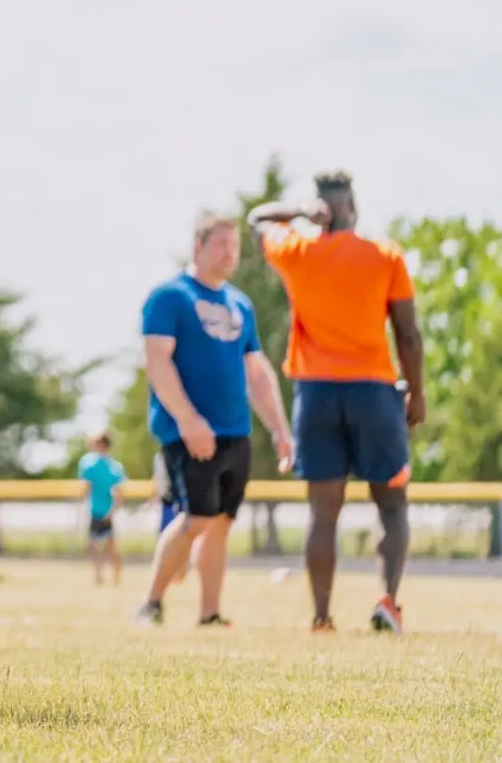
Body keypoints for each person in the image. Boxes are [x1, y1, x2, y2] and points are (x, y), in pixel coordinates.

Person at [250, 172, 424, 634]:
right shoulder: (385, 255)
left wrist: (299, 213)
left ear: (320, 210)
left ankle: (322, 617)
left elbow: (256, 220)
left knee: (322, 511)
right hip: (372, 390)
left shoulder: (297, 251)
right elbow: (407, 331)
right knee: (391, 503)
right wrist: (417, 390)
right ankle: (388, 601)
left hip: (317, 392)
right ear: (355, 208)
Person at [131, 213, 294, 630]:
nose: (230, 253)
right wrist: (188, 420)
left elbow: (256, 371)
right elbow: (157, 362)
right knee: (197, 517)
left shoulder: (240, 303)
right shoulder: (170, 296)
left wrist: (279, 428)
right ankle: (150, 603)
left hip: (234, 430)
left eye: (235, 246)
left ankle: (210, 613)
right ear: (198, 246)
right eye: (221, 244)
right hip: (189, 432)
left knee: (221, 523)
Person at [78, 434, 127, 587]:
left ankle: (114, 576)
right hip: (97, 511)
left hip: (103, 511)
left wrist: (112, 511)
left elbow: (118, 493)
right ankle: (100, 576)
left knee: (107, 546)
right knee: (96, 545)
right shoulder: (101, 465)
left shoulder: (107, 466)